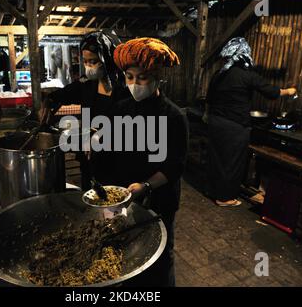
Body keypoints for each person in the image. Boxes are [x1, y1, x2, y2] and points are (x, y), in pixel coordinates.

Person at [111, 37, 189, 286]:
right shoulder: (123, 108)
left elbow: (175, 166)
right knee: (130, 253)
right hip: (128, 195)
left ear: (156, 76)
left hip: (159, 198)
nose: (134, 84)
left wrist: (146, 186)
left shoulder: (174, 116)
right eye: (129, 77)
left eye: (142, 77)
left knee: (159, 258)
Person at [204, 37, 297, 207]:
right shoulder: (247, 76)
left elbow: (209, 99)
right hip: (235, 126)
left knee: (217, 159)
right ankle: (224, 198)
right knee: (232, 162)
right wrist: (290, 91)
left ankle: (213, 190)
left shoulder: (219, 74)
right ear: (244, 55)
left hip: (216, 122)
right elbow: (271, 91)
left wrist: (207, 115)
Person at [39, 31, 128, 190]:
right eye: (85, 61)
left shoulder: (126, 89)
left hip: (117, 160)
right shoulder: (87, 84)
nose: (88, 66)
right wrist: (48, 101)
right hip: (90, 158)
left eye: (93, 61)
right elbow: (63, 94)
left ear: (107, 59)